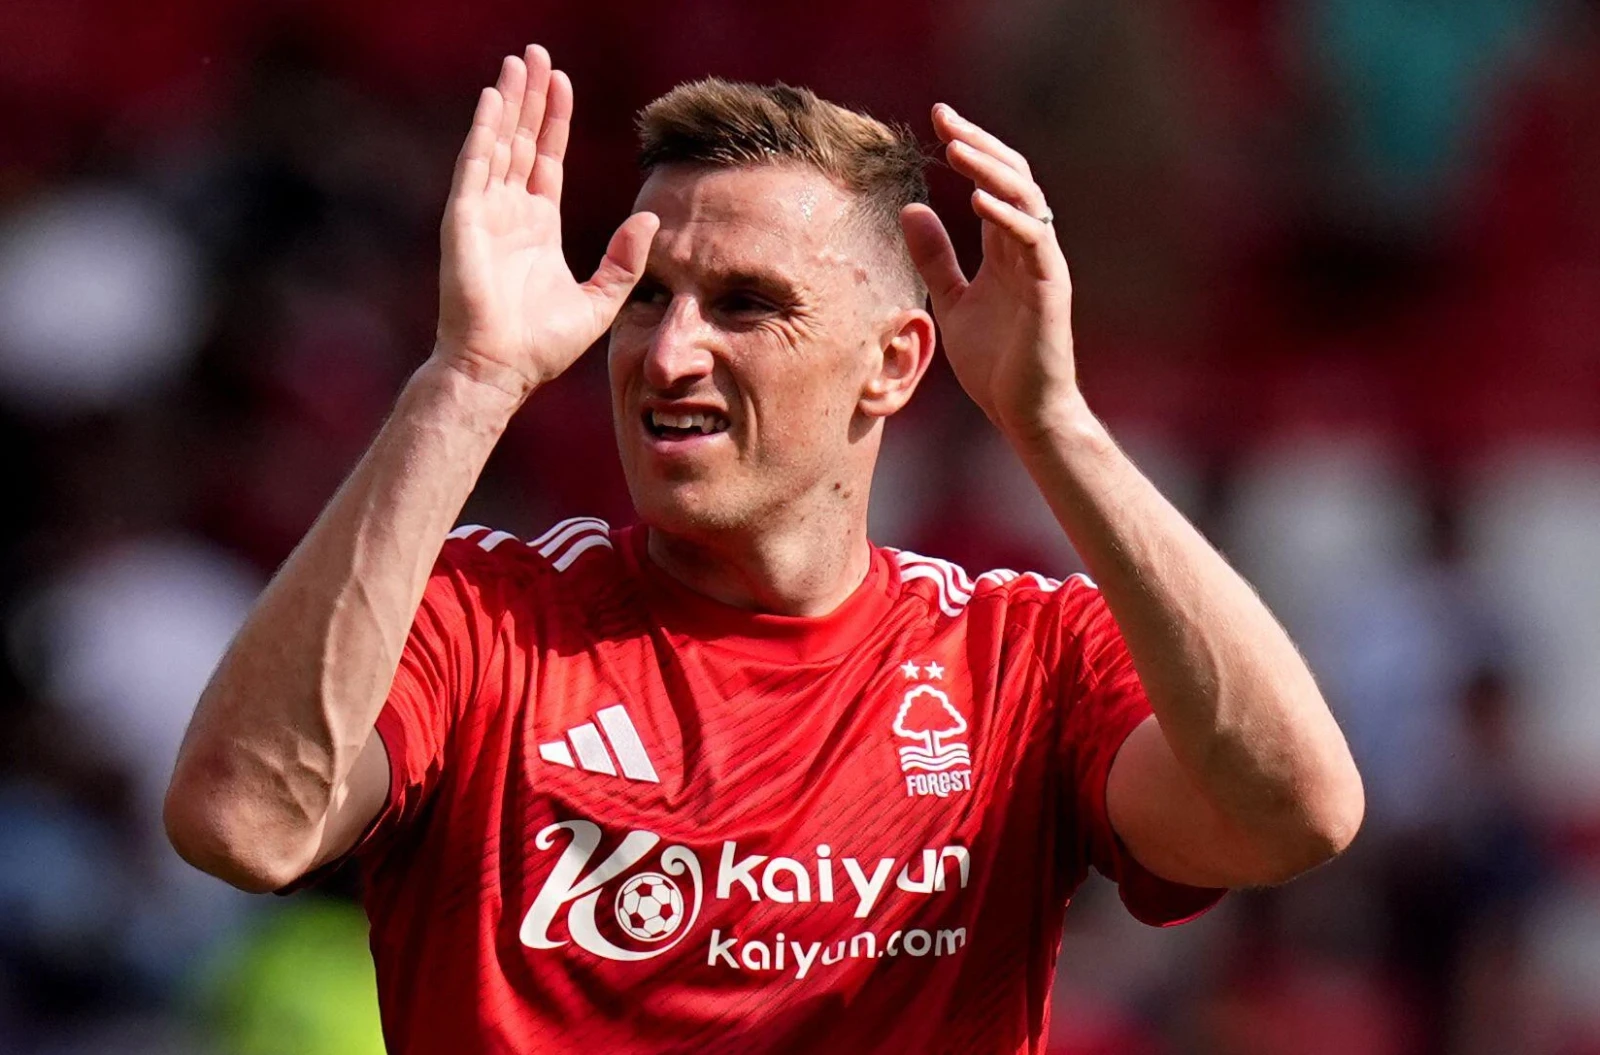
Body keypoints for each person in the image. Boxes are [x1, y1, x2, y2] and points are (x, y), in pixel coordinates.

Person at [164, 43, 1365, 1054]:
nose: (668, 350)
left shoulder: (1016, 657)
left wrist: (1053, 425)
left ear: (894, 360)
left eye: (745, 303)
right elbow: (246, 824)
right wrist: (467, 379)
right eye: (646, 294)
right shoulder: (482, 618)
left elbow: (1289, 814)